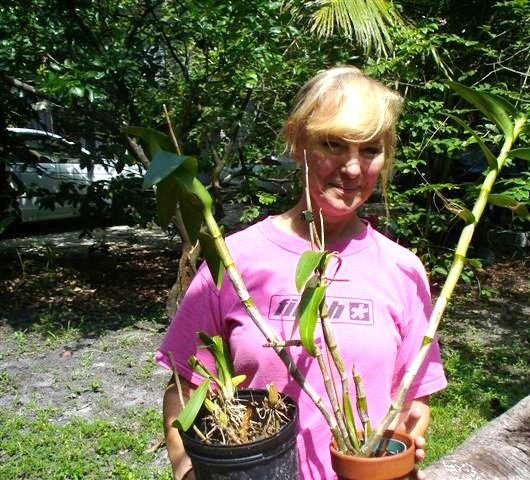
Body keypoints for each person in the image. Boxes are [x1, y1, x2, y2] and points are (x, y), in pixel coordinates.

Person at [156, 65, 448, 480]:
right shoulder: (235, 259)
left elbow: (412, 399)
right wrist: (187, 468)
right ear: (297, 141)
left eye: (370, 150)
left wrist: (401, 446)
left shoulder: (403, 269)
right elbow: (185, 385)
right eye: (333, 144)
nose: (352, 169)